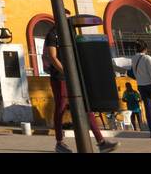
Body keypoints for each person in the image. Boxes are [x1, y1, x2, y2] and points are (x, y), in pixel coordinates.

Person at [43, 13, 117, 153]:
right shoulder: (52, 34)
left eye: (69, 18)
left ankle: (101, 141)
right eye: (65, 18)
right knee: (61, 107)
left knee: (86, 106)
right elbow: (52, 57)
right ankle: (60, 142)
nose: (68, 21)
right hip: (60, 77)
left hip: (75, 76)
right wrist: (66, 72)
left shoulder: (71, 32)